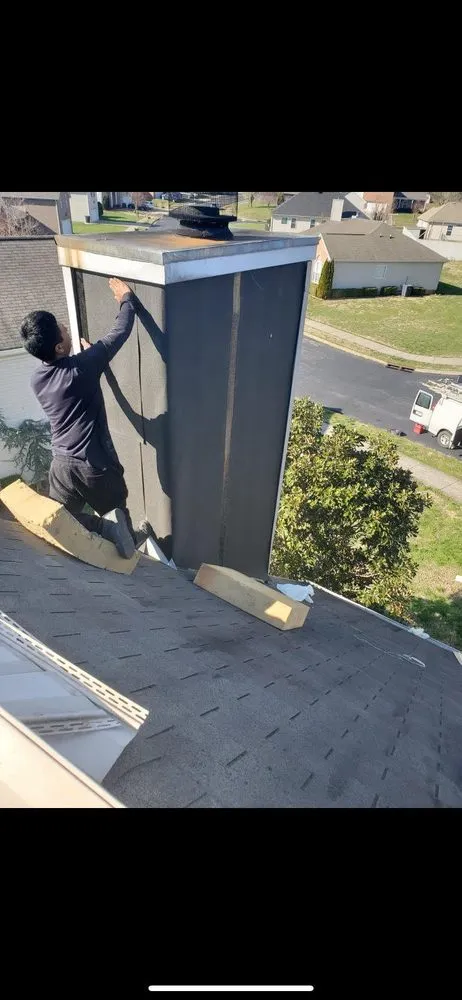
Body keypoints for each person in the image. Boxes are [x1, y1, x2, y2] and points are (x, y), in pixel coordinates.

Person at [20, 277, 151, 559]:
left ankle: (100, 534)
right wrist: (127, 298)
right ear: (58, 347)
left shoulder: (38, 379)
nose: (66, 328)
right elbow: (120, 331)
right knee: (118, 510)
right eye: (62, 330)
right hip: (94, 469)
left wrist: (89, 359)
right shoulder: (81, 369)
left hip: (62, 468)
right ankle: (123, 540)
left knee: (64, 521)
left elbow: (70, 378)